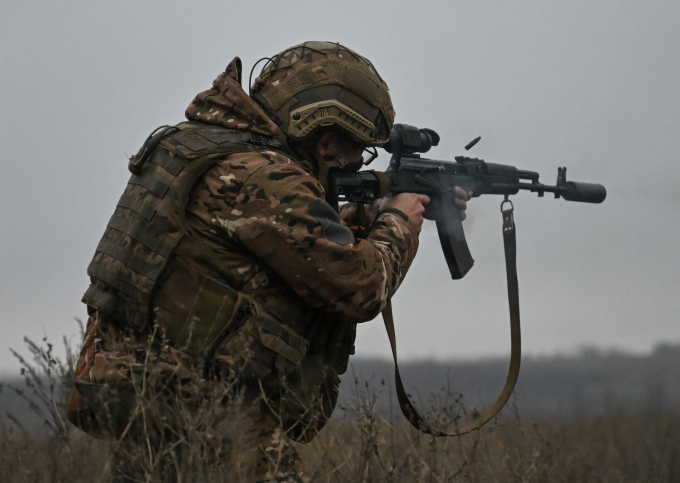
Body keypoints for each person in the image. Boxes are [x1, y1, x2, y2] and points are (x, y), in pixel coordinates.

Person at [66, 41, 468, 482]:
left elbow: (264, 240)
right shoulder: (265, 174)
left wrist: (364, 215)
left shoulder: (202, 146)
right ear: (326, 137)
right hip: (197, 401)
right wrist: (398, 221)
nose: (350, 163)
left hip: (134, 383)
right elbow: (359, 287)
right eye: (350, 152)